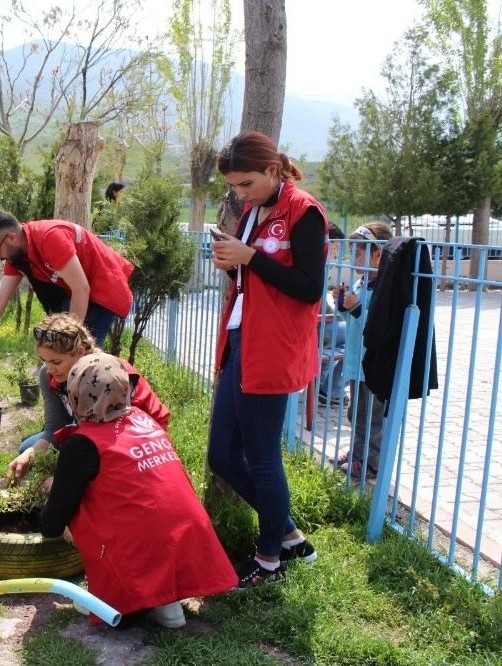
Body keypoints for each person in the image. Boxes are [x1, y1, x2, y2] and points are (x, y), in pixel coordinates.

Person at [36, 353, 237, 629]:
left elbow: (51, 524)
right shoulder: (144, 419)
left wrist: (51, 488)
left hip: (141, 554)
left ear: (76, 393)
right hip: (187, 546)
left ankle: (131, 597)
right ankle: (166, 603)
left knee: (82, 505)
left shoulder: (83, 445)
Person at [206, 131, 327, 588]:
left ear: (274, 171)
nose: (240, 194)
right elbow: (255, 270)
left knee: (261, 457)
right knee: (222, 455)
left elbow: (308, 287)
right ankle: (291, 536)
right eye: (234, 186)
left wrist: (250, 258)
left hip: (272, 349)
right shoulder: (255, 209)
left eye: (246, 183)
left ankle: (270, 559)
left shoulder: (304, 210)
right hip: (240, 340)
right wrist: (233, 261)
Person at [0, 212, 134, 377]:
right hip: (77, 294)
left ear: (12, 238)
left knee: (79, 367)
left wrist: (67, 339)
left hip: (104, 292)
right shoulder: (17, 256)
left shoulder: (50, 237)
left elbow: (81, 288)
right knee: (60, 368)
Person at [9, 312, 169, 468]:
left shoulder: (105, 378)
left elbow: (111, 438)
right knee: (27, 449)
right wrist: (30, 454)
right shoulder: (48, 373)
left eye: (56, 362)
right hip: (97, 429)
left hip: (138, 437)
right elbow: (54, 427)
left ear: (80, 352)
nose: (50, 369)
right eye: (45, 361)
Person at [333, 221, 393, 479]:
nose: (354, 257)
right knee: (356, 412)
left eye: (359, 252)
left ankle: (372, 462)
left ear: (379, 255)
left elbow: (381, 326)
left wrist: (357, 308)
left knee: (374, 418)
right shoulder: (360, 283)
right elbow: (356, 323)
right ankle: (358, 453)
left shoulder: (385, 288)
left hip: (374, 367)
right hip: (356, 363)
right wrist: (344, 307)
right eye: (354, 251)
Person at [317, 223, 347, 404]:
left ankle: (322, 383)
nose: (338, 253)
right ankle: (332, 390)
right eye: (337, 247)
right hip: (317, 328)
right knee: (360, 338)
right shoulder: (321, 265)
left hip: (319, 325)